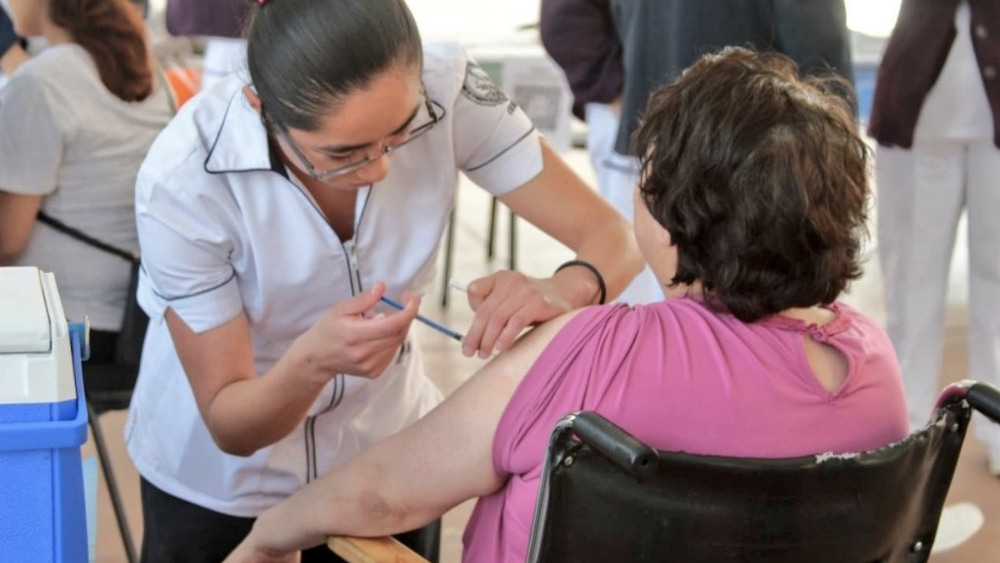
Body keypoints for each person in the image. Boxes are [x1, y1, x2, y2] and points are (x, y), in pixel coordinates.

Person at [223, 47, 910, 563]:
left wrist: (268, 534)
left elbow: (379, 497)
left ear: (674, 223)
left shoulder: (592, 353)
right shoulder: (874, 371)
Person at [126, 0, 643, 561]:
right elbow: (231, 424)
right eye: (342, 154)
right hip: (221, 483)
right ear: (260, 108)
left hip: (386, 463)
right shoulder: (186, 180)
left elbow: (616, 236)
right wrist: (312, 363)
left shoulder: (447, 91)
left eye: (401, 134)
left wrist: (566, 287)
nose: (379, 170)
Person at [0, 0, 172, 372]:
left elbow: (7, 241)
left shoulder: (41, 82)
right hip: (133, 319)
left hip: (56, 326)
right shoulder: (148, 69)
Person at [868, 0, 1000, 474]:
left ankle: (997, 430)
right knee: (911, 285)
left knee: (998, 284)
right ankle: (904, 431)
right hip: (918, 121)